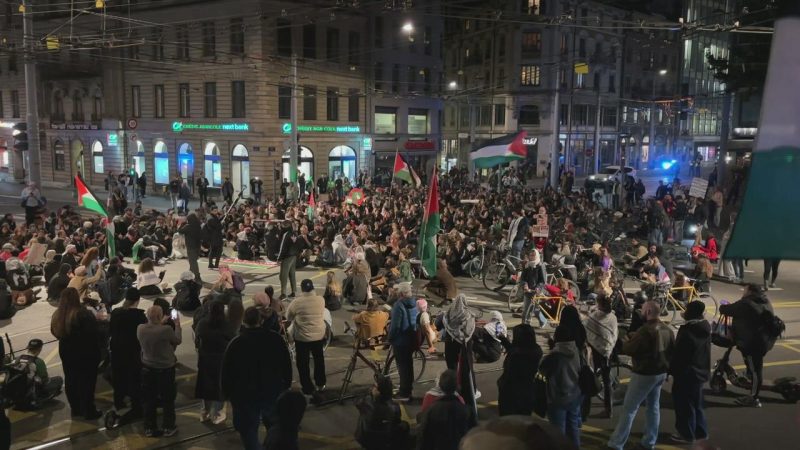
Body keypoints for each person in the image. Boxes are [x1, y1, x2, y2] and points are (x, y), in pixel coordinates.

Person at [607, 301, 675, 450]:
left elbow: (629, 349)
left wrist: (626, 340)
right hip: (660, 372)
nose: (640, 312)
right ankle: (649, 441)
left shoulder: (646, 330)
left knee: (629, 409)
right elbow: (672, 352)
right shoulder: (667, 329)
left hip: (644, 373)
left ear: (649, 311)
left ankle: (616, 443)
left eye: (643, 310)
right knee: (653, 407)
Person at [222, 307, 292, 450]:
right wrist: (286, 384)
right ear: (261, 320)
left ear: (244, 321)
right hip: (271, 391)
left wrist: (227, 393)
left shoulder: (236, 343)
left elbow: (226, 372)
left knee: (248, 432)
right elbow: (286, 364)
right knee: (275, 427)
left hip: (245, 395)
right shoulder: (275, 338)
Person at [718, 283, 776, 408]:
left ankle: (754, 398)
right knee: (752, 366)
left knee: (756, 371)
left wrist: (725, 306)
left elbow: (726, 310)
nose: (743, 291)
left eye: (745, 290)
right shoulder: (764, 301)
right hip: (763, 340)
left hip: (752, 343)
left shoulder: (747, 303)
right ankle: (750, 376)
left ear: (750, 291)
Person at [50, 287, 102, 420]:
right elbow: (94, 333)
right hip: (85, 352)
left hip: (66, 350)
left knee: (71, 379)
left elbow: (54, 332)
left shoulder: (57, 315)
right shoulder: (83, 314)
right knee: (87, 381)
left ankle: (76, 408)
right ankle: (89, 410)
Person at [137, 304, 182, 437]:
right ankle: (168, 427)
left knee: (149, 399)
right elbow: (177, 340)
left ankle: (149, 427)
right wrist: (177, 324)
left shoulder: (140, 328)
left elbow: (153, 330)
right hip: (165, 368)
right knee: (168, 399)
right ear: (159, 316)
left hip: (147, 367)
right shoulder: (166, 330)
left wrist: (158, 322)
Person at [669, 301, 711, 443]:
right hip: (700, 372)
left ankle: (686, 434)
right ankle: (701, 432)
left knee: (684, 405)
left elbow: (679, 355)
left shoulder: (688, 332)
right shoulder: (704, 327)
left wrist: (670, 370)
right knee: (696, 404)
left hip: (686, 374)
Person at [539, 326, 582, 448]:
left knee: (558, 432)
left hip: (558, 398)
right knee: (573, 428)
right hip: (575, 395)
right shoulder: (577, 350)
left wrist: (551, 347)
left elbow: (542, 369)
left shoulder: (554, 356)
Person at [195, 300, 236, 424]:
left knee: (205, 386)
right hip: (221, 359)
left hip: (205, 358)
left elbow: (197, 337)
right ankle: (217, 413)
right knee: (220, 387)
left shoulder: (203, 323)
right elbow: (233, 339)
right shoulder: (227, 324)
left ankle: (205, 412)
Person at [285, 279, 327, 400]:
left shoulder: (297, 302)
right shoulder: (320, 300)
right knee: (319, 359)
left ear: (302, 289)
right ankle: (320, 383)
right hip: (318, 335)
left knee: (302, 363)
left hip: (302, 337)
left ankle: (307, 387)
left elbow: (288, 316)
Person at [108, 288, 147, 419]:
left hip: (117, 350)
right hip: (132, 351)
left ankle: (119, 402)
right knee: (134, 378)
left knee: (118, 378)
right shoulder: (139, 316)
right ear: (138, 300)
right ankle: (136, 407)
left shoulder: (116, 313)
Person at [415, 368, 470, 450]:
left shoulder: (430, 403)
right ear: (456, 386)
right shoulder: (463, 406)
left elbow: (424, 432)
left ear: (439, 384)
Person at [497, 324, 543, 416]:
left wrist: (500, 383)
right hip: (528, 392)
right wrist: (504, 340)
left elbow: (510, 373)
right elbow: (516, 350)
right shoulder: (536, 350)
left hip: (511, 394)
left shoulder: (517, 355)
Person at [584, 294, 618, 418]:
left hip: (597, 352)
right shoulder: (613, 317)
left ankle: (585, 411)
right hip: (608, 350)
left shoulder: (594, 318)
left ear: (599, 303)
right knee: (607, 380)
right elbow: (612, 335)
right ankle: (609, 409)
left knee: (589, 378)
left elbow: (586, 326)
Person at [354, 375, 408, 450]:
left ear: (378, 392)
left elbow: (357, 402)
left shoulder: (366, 402)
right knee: (405, 425)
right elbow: (397, 421)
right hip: (385, 441)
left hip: (364, 439)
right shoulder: (394, 408)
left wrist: (371, 394)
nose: (372, 387)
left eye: (374, 386)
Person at [388, 282, 418, 402]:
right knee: (408, 366)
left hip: (400, 341)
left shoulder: (399, 305)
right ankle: (407, 389)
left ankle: (404, 393)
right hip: (411, 338)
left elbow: (395, 326)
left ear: (401, 293)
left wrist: (390, 338)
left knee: (402, 367)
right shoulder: (413, 303)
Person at [277, 221, 300, 299]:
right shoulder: (294, 234)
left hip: (287, 257)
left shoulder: (286, 234)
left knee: (283, 276)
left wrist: (279, 258)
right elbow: (298, 245)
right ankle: (294, 291)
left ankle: (283, 293)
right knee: (292, 274)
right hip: (294, 256)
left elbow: (282, 247)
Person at [179, 212, 203, 282]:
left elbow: (180, 231)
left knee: (193, 262)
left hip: (191, 247)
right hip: (197, 246)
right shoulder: (198, 226)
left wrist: (182, 223)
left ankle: (197, 276)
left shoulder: (188, 226)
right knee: (193, 261)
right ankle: (190, 274)